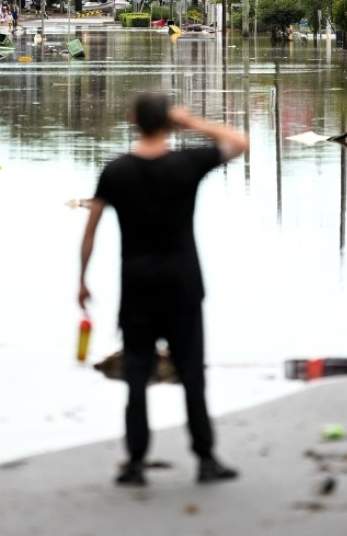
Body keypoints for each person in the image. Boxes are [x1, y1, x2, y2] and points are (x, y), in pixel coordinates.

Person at [78, 92, 249, 487]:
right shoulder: (186, 164)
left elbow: (91, 231)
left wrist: (82, 280)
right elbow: (239, 143)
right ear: (168, 122)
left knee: (136, 374)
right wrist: (192, 122)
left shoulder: (116, 171)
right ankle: (205, 459)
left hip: (137, 286)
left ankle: (136, 463)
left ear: (132, 120)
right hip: (183, 285)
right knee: (191, 373)